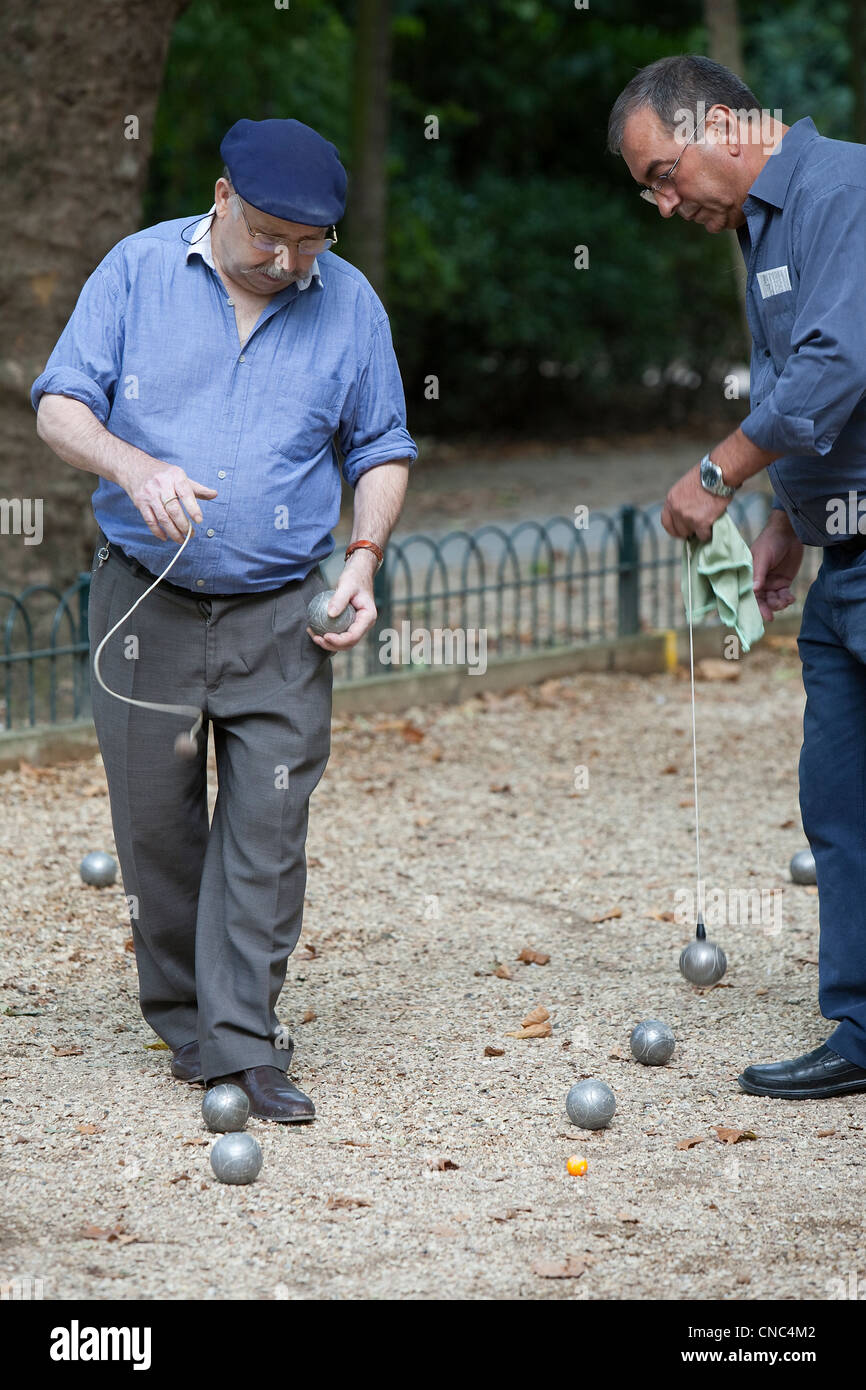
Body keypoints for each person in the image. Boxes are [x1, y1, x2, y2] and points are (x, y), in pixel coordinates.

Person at [31, 117, 417, 1121]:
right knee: (155, 832)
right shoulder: (134, 270)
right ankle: (186, 1019)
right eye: (268, 235)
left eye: (310, 242)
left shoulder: (349, 304)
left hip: (284, 612)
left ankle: (245, 1040)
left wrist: (364, 558)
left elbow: (381, 443)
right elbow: (58, 403)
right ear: (220, 199)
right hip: (142, 602)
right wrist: (132, 463)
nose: (287, 260)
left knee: (268, 826)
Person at [607, 54, 866, 1099]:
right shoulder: (762, 221)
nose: (664, 204)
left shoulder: (839, 188)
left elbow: (837, 365)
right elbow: (810, 393)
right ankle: (858, 1029)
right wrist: (782, 522)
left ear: (720, 121)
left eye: (663, 174)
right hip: (838, 555)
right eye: (647, 191)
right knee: (837, 804)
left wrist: (717, 472)